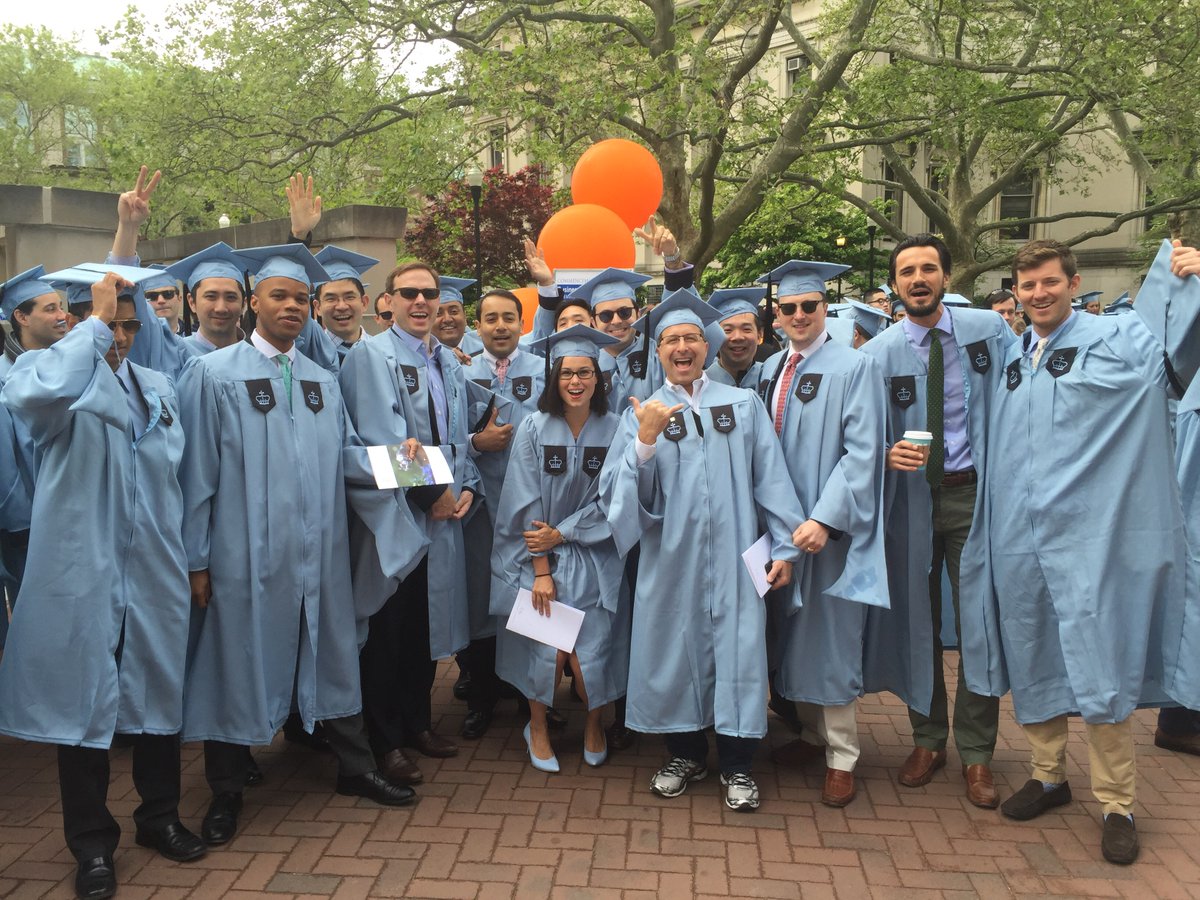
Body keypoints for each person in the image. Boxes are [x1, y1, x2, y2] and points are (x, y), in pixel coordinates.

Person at [179, 244, 415, 849]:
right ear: (253, 301)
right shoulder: (213, 375)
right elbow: (195, 477)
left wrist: (408, 464)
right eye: (279, 296)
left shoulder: (320, 381)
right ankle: (227, 790)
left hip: (319, 554)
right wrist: (198, 561)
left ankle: (355, 767)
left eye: (300, 298)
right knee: (236, 659)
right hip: (245, 557)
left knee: (332, 652)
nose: (292, 306)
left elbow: (346, 459)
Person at [973, 239, 1199, 865]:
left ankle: (1117, 802)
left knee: (1101, 662)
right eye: (1027, 285)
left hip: (1086, 537)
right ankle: (1049, 774)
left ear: (1073, 284)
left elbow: (1175, 335)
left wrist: (1190, 277)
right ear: (1015, 293)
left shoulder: (1118, 341)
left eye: (1049, 282)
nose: (1038, 294)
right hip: (1020, 535)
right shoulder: (1015, 356)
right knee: (1033, 648)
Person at [0, 269, 205, 900]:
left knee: (159, 697)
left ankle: (159, 817)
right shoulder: (49, 388)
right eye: (107, 323)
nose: (119, 335)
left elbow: (181, 477)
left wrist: (191, 559)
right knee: (83, 706)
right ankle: (91, 845)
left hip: (154, 569)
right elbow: (37, 395)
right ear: (78, 327)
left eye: (127, 325)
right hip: (83, 573)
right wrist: (88, 326)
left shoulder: (160, 386)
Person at [600, 289, 803, 812]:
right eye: (671, 339)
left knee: (740, 653)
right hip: (671, 562)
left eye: (692, 337)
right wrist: (644, 444)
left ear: (707, 346)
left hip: (739, 559)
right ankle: (685, 753)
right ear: (661, 351)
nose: (682, 346)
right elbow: (616, 501)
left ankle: (738, 765)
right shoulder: (645, 412)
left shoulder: (741, 404)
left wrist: (786, 546)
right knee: (673, 649)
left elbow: (772, 480)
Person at [859, 233, 1017, 810]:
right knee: (917, 624)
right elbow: (858, 436)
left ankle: (977, 753)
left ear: (946, 277)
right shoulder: (876, 356)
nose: (918, 279)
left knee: (976, 622)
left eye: (928, 268)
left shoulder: (989, 334)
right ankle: (927, 739)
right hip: (910, 501)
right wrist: (882, 453)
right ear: (895, 284)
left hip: (973, 496)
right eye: (907, 271)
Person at [339, 260, 478, 787]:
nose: (422, 303)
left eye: (430, 293)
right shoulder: (372, 355)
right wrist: (432, 495)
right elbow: (382, 440)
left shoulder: (445, 359)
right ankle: (385, 739)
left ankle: (417, 723)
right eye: (410, 294)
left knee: (423, 625)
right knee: (388, 631)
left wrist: (464, 486)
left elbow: (457, 433)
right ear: (389, 301)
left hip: (439, 509)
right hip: (394, 516)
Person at [757, 261, 889, 809]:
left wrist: (825, 517)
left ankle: (842, 756)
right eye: (788, 308)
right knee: (790, 634)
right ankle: (811, 735)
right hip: (778, 525)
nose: (798, 316)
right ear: (778, 315)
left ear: (823, 308)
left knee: (830, 637)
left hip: (824, 531)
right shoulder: (769, 368)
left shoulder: (854, 366)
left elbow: (863, 452)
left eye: (809, 306)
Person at [492, 325, 626, 771]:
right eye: (567, 373)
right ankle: (539, 728)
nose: (575, 382)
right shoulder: (534, 426)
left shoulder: (616, 428)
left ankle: (593, 723)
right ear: (555, 379)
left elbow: (617, 502)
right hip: (540, 562)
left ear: (598, 378)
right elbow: (523, 502)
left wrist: (565, 531)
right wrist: (542, 567)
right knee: (545, 659)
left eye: (585, 373)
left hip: (595, 556)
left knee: (589, 666)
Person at [457, 288, 545, 739]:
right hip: (480, 506)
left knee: (527, 595)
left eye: (508, 318)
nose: (500, 326)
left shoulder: (544, 371)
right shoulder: (459, 371)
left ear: (521, 321)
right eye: (490, 319)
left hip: (527, 504)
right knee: (479, 599)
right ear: (479, 325)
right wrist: (476, 444)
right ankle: (481, 696)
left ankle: (533, 699)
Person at [313, 245, 376, 360]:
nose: (341, 306)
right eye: (331, 299)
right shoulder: (310, 355)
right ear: (318, 307)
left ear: (364, 302)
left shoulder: (385, 353)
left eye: (349, 297)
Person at [705, 287, 767, 388]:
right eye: (728, 330)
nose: (737, 337)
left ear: (759, 334)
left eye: (746, 329)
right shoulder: (702, 383)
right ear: (716, 336)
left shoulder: (772, 378)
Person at [433, 277, 482, 356]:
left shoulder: (487, 348)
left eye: (453, 312)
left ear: (465, 316)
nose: (447, 319)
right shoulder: (423, 358)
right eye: (438, 313)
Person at [142, 266, 184, 335]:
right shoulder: (137, 342)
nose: (161, 300)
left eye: (168, 294)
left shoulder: (195, 341)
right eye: (152, 296)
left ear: (179, 298)